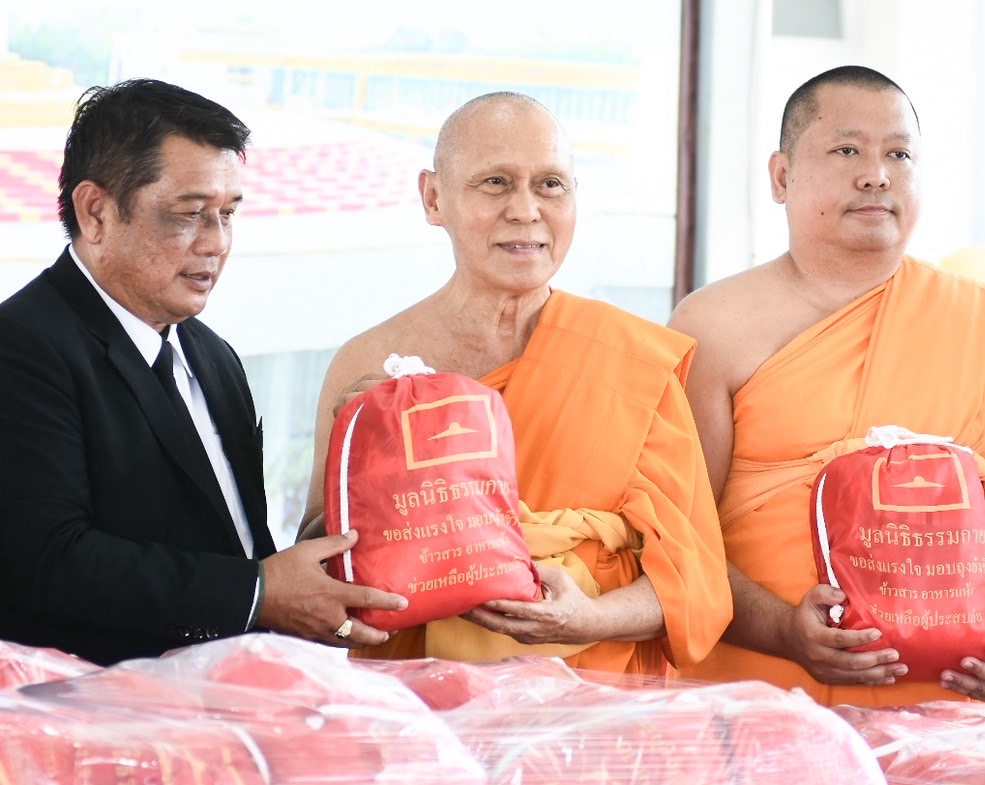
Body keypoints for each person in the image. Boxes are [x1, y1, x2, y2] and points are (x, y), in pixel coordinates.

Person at [668, 65, 985, 707]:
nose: (877, 174)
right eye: (847, 150)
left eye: (899, 154)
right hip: (761, 696)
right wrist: (783, 629)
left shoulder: (983, 324)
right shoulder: (714, 326)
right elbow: (679, 535)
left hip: (946, 709)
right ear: (782, 177)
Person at [299, 92, 730, 677]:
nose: (526, 210)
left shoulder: (628, 358)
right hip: (427, 704)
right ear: (433, 198)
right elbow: (319, 568)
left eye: (551, 185)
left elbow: (693, 578)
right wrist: (376, 476)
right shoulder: (369, 362)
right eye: (496, 182)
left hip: (596, 710)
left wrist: (590, 619)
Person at [0, 79, 408, 666]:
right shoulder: (23, 347)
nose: (216, 244)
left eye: (228, 214)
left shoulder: (212, 356)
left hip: (230, 704)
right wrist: (260, 595)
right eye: (189, 215)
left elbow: (238, 543)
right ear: (95, 211)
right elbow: (48, 559)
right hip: (93, 722)